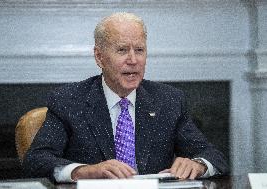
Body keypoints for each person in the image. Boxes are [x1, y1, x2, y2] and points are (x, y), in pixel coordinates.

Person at [23, 12, 228, 182]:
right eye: (122, 50)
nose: (133, 60)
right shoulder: (69, 101)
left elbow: (214, 157)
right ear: (99, 57)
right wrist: (84, 171)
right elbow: (36, 160)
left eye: (139, 50)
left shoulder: (169, 101)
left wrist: (198, 165)